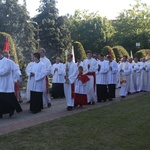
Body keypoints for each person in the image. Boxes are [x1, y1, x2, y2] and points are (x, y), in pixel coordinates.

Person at [0, 50, 22, 118]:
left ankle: (12, 108)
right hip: (0, 83)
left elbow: (6, 71)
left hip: (7, 83)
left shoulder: (7, 61)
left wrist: (16, 80)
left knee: (9, 97)